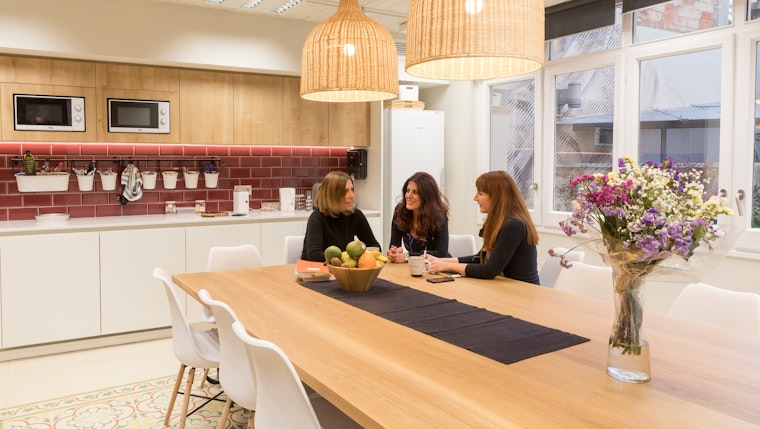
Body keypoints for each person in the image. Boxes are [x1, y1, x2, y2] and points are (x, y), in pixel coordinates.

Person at [425, 170, 540, 284]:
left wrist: (447, 266)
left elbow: (489, 270)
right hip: (505, 287)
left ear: (496, 197)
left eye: (480, 193)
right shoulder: (498, 221)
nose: (475, 198)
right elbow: (481, 258)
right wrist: (441, 261)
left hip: (523, 292)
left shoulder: (514, 225)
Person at [301, 171, 380, 262]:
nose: (352, 196)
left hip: (345, 271)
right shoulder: (317, 218)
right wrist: (349, 256)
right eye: (345, 191)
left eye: (352, 190)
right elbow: (314, 255)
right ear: (332, 196)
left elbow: (375, 247)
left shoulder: (356, 215)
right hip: (318, 273)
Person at [387, 172, 450, 263]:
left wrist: (407, 257)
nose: (408, 196)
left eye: (415, 192)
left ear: (427, 196)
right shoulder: (400, 212)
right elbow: (394, 244)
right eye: (408, 191)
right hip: (414, 266)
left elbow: (441, 253)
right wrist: (394, 253)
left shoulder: (439, 216)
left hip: (437, 268)